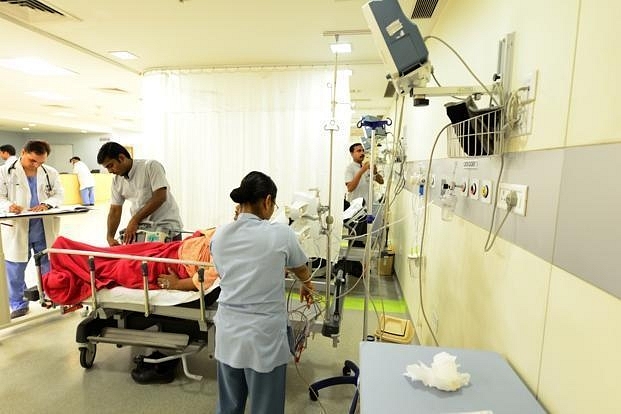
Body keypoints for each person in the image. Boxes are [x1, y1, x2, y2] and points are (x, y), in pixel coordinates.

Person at [209, 171, 315, 414]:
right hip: (263, 337)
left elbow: (230, 271)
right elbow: (300, 267)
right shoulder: (281, 233)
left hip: (228, 333)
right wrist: (306, 283)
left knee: (229, 406)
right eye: (273, 205)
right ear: (267, 201)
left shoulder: (220, 235)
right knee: (265, 408)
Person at [42, 229, 219, 305]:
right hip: (173, 248)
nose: (236, 210)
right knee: (117, 252)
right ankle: (67, 253)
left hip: (172, 266)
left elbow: (204, 280)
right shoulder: (230, 232)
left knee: (120, 266)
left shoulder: (231, 254)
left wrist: (177, 285)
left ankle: (76, 270)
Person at [0, 140, 64, 318]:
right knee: (15, 267)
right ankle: (18, 303)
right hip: (17, 227)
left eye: (41, 162)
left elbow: (59, 194)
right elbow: (0, 197)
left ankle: (52, 296)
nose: (36, 165)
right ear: (23, 152)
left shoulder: (50, 172)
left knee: (48, 264)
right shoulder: (4, 172)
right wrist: (8, 206)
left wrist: (47, 204)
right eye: (32, 160)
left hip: (43, 225)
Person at [97, 142, 183, 246]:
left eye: (111, 166)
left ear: (121, 158)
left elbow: (160, 196)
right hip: (142, 229)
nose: (110, 171)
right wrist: (110, 237)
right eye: (107, 168)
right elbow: (115, 210)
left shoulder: (150, 167)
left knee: (167, 261)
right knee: (141, 262)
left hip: (167, 227)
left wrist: (135, 219)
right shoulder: (117, 181)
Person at [344, 142, 384, 207]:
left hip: (369, 206)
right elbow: (350, 188)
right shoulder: (350, 168)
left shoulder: (367, 167)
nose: (362, 153)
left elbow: (381, 182)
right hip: (356, 208)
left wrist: (375, 172)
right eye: (359, 151)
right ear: (352, 154)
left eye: (363, 151)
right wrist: (362, 170)